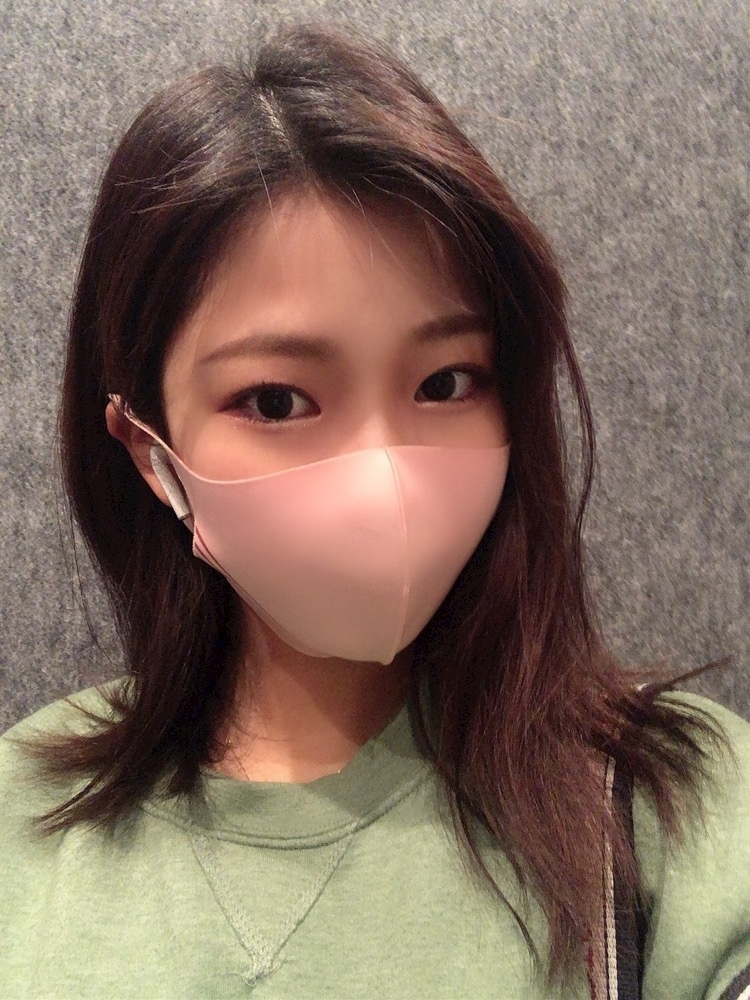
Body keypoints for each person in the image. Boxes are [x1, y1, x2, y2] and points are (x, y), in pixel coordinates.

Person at [1, 23, 748, 1000]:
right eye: (276, 400)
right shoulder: (23, 820)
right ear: (149, 451)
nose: (380, 477)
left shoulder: (677, 805)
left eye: (445, 382)